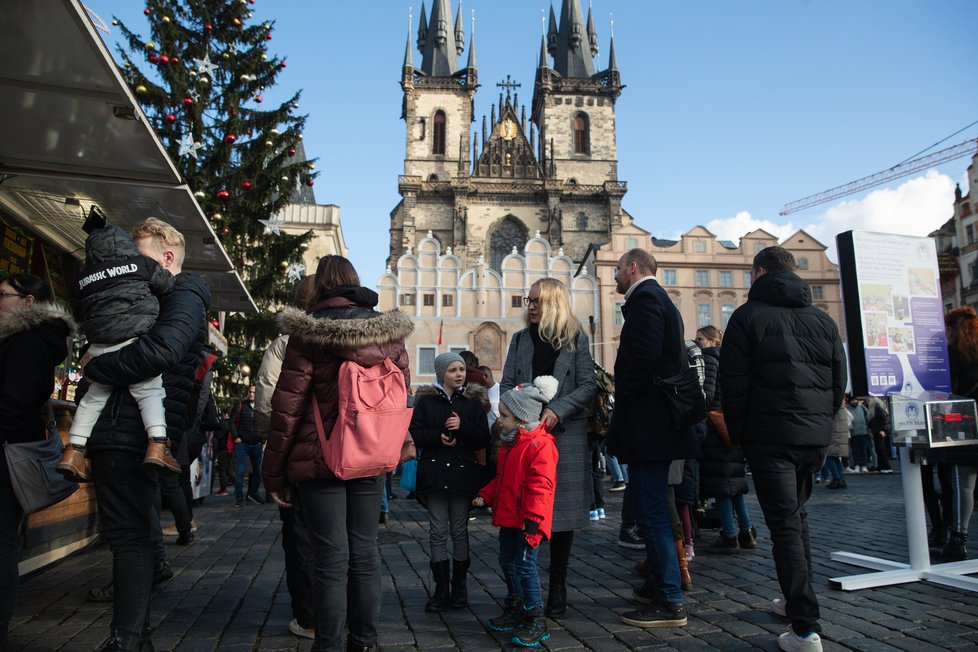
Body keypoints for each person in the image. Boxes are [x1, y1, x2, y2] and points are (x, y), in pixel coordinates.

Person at [263, 255, 412, 652]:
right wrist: (400, 446)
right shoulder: (389, 334)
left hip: (319, 457)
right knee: (365, 554)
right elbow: (400, 397)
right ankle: (363, 642)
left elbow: (288, 406)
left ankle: (327, 645)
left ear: (322, 287)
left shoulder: (308, 333)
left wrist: (274, 473)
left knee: (330, 559)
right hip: (369, 454)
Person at [82, 218, 210, 651]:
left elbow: (160, 352)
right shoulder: (146, 297)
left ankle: (127, 638)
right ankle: (135, 635)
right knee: (128, 536)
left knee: (131, 537)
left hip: (137, 431)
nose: (127, 268)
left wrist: (94, 367)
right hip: (119, 429)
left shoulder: (183, 292)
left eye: (138, 259)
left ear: (167, 258)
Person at [720, 246, 845, 652]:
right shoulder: (823, 320)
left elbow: (732, 384)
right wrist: (820, 425)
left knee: (785, 526)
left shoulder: (747, 316)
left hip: (769, 437)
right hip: (812, 437)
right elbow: (837, 384)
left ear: (759, 272)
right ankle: (795, 603)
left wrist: (738, 435)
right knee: (797, 518)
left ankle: (806, 629)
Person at [604, 249, 699, 629]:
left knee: (653, 513)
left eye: (616, 271)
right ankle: (657, 585)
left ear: (632, 267)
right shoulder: (662, 301)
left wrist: (622, 393)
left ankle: (669, 600)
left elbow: (641, 363)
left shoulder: (644, 300)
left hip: (650, 425)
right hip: (659, 425)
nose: (614, 278)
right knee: (655, 508)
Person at [500, 277, 597, 618]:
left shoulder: (575, 339)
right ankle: (523, 586)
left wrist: (558, 409)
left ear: (555, 303)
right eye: (529, 301)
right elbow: (507, 383)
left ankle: (558, 582)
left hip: (565, 436)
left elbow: (588, 385)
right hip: (527, 438)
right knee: (526, 508)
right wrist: (519, 412)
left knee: (562, 515)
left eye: (537, 301)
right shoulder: (520, 339)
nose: (530, 306)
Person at [58, 222, 178, 481]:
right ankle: (158, 444)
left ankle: (73, 451)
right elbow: (166, 285)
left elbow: (78, 314)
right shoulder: (142, 265)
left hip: (101, 345)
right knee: (149, 391)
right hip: (134, 338)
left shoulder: (82, 278)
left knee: (93, 398)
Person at [0, 274, 74, 650]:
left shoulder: (26, 343)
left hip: (7, 453)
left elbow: (14, 403)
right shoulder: (30, 340)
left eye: (4, 295)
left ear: (28, 302)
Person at [254, 275, 317, 639]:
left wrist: (273, 457)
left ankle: (308, 617)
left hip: (297, 454)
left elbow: (267, 405)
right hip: (343, 455)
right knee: (342, 537)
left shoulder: (285, 343)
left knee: (299, 538)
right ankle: (346, 613)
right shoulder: (354, 339)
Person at [475, 376, 559, 647]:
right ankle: (516, 606)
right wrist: (485, 495)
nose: (500, 420)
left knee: (525, 566)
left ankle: (536, 617)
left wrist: (533, 520)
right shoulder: (511, 444)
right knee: (507, 562)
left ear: (522, 419)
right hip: (510, 518)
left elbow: (541, 487)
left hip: (527, 522)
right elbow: (502, 480)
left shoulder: (538, 445)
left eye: (505, 416)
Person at [411, 352, 491, 612]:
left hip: (461, 476)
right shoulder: (426, 402)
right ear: (441, 373)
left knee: (458, 530)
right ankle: (441, 588)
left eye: (461, 370)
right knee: (437, 531)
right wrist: (437, 436)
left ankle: (459, 587)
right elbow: (415, 433)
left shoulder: (473, 403)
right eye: (453, 370)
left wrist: (463, 426)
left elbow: (482, 439)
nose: (459, 374)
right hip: (434, 475)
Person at [696, 326, 756, 554]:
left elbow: (707, 395)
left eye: (700, 338)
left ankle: (730, 534)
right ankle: (746, 531)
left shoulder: (710, 360)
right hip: (729, 424)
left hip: (714, 426)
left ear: (711, 341)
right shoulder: (731, 359)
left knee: (721, 485)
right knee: (735, 484)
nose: (697, 342)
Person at [940, 307, 978, 560]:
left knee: (963, 485)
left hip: (967, 424)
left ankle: (958, 539)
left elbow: (949, 392)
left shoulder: (952, 355)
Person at [231, 386, 264, 506]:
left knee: (257, 471)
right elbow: (232, 422)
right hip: (242, 443)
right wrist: (236, 437)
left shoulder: (260, 407)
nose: (251, 394)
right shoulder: (240, 405)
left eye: (254, 392)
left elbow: (265, 422)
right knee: (240, 471)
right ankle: (239, 499)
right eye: (250, 392)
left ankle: (253, 493)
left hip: (256, 443)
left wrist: (262, 439)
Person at [824, 402, 850, 490]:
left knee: (829, 456)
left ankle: (837, 478)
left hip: (835, 434)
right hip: (839, 434)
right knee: (834, 458)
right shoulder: (841, 405)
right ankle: (840, 479)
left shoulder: (833, 405)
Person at [847, 396, 872, 474]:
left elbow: (868, 418)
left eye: (855, 400)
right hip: (853, 433)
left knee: (863, 450)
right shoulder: (847, 409)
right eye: (852, 400)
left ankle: (863, 465)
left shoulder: (862, 408)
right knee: (855, 451)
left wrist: (868, 429)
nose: (854, 401)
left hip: (863, 432)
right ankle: (857, 465)